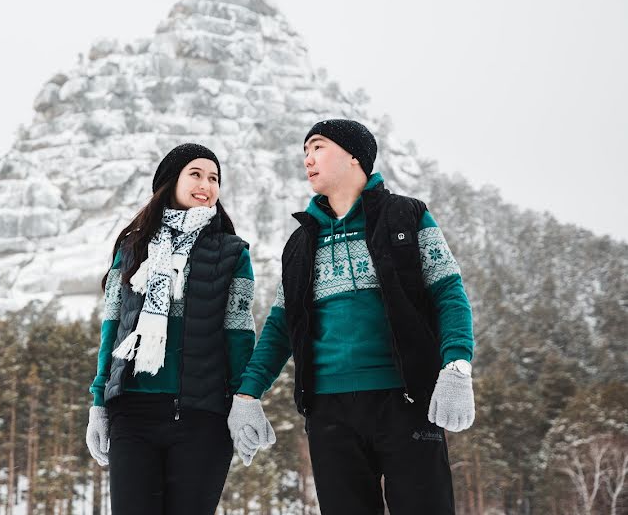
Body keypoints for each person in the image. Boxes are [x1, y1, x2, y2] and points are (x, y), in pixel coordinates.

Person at [227, 119, 475, 514]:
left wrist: (457, 364)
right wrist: (247, 394)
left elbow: (448, 292)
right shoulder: (299, 243)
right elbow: (280, 328)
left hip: (405, 400)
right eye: (304, 152)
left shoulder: (407, 217)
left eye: (318, 147)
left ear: (355, 156)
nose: (307, 159)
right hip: (329, 411)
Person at [85, 143, 256, 515]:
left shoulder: (232, 252)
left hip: (203, 418)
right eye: (195, 174)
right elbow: (112, 329)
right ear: (170, 181)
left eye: (214, 178)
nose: (206, 185)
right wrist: (99, 403)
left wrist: (246, 400)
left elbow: (240, 334)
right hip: (132, 415)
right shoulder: (131, 249)